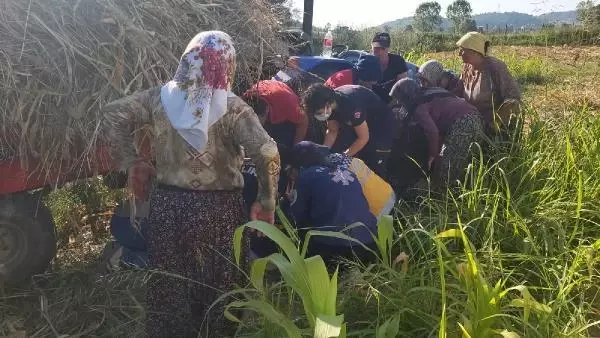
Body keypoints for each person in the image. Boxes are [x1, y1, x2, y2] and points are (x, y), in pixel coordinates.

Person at [101, 31, 280, 337]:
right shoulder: (233, 109)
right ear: (227, 65)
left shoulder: (159, 98)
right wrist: (266, 200)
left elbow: (114, 114)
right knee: (220, 286)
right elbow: (267, 152)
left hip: (168, 209)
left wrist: (133, 163)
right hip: (218, 213)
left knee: (171, 285)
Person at [283, 141, 378, 265]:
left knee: (301, 230)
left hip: (335, 248)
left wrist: (284, 203)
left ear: (297, 166)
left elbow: (295, 217)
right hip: (369, 243)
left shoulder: (306, 176)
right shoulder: (348, 172)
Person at [389, 78, 483, 192]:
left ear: (407, 97)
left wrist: (432, 156)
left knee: (447, 167)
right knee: (463, 161)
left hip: (463, 123)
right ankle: (462, 189)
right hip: (476, 117)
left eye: (401, 100)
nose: (399, 103)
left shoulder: (419, 107)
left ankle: (442, 197)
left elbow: (433, 132)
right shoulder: (430, 91)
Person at [301, 83, 397, 177]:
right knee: (346, 150)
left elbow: (363, 138)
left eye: (319, 112)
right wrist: (323, 151)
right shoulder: (330, 104)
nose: (318, 115)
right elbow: (332, 131)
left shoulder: (350, 106)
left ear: (327, 104)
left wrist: (343, 157)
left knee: (374, 161)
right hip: (361, 121)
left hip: (382, 124)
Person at [456, 32, 522, 136]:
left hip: (494, 131)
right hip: (471, 125)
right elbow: (458, 92)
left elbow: (513, 100)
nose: (459, 54)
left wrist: (494, 125)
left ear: (475, 51)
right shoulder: (466, 67)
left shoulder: (495, 68)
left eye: (463, 50)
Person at [243, 80, 309, 148]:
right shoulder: (245, 99)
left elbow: (303, 122)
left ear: (266, 111)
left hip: (286, 103)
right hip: (272, 91)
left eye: (257, 123)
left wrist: (295, 149)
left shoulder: (288, 106)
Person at [370, 32, 409, 103]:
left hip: (392, 102)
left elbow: (403, 87)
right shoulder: (367, 63)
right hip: (372, 102)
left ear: (388, 48)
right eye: (376, 47)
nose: (380, 51)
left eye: (383, 48)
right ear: (371, 47)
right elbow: (363, 89)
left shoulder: (398, 61)